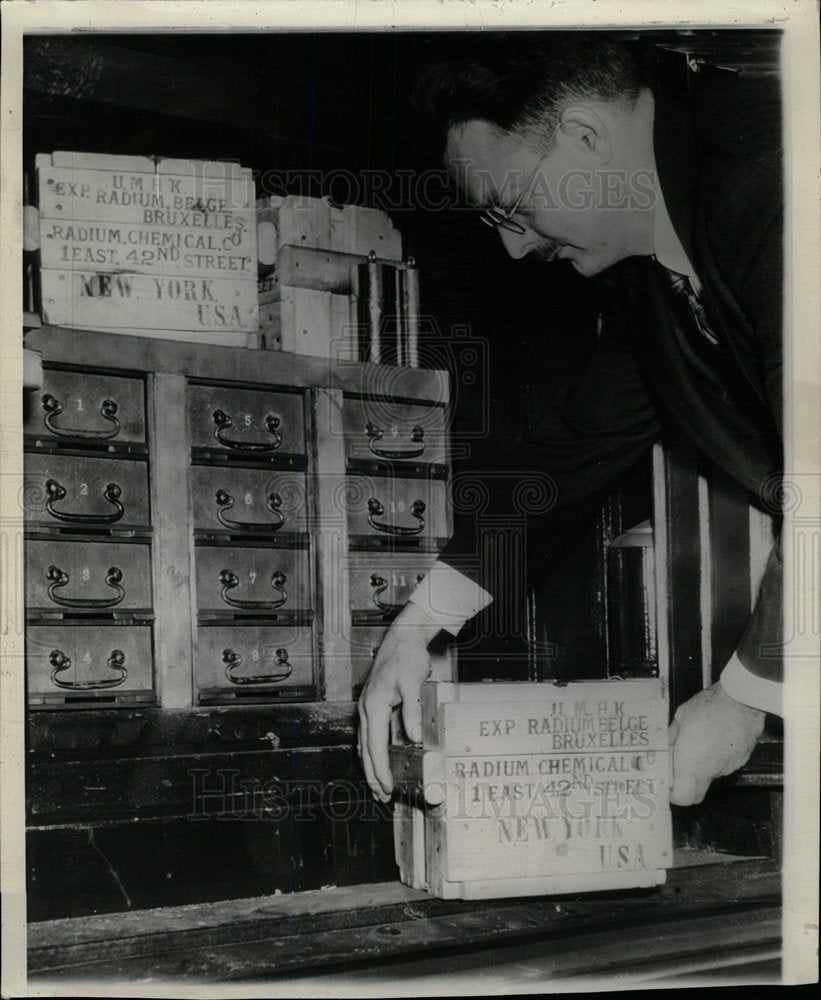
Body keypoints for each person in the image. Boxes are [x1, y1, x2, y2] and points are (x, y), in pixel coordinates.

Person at [358, 33, 783, 809]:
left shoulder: (773, 174)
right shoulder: (649, 255)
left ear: (585, 135)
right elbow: (573, 455)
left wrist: (746, 695)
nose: (517, 250)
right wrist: (415, 629)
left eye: (512, 210)